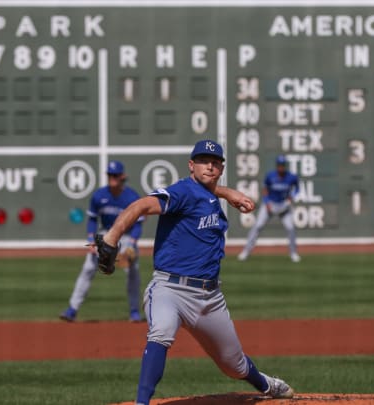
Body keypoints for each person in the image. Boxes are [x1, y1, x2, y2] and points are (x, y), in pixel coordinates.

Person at [99, 140, 294, 404]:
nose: (209, 167)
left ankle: (267, 384)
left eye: (215, 163)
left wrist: (227, 193)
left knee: (234, 365)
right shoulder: (181, 192)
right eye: (203, 161)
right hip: (170, 289)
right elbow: (141, 206)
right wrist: (112, 237)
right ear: (191, 165)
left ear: (221, 168)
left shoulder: (210, 195)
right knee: (161, 333)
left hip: (209, 298)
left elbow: (207, 190)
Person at [59, 160, 144, 323]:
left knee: (133, 270)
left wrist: (132, 243)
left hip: (126, 237)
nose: (111, 178)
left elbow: (138, 225)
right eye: (109, 175)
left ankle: (134, 311)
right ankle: (72, 309)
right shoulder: (99, 195)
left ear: (122, 177)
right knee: (89, 266)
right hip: (107, 234)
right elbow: (92, 219)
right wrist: (91, 239)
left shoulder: (131, 197)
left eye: (115, 175)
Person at [238, 154, 301, 262]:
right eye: (279, 165)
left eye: (283, 165)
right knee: (257, 226)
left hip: (284, 206)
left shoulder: (291, 177)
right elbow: (265, 189)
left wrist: (292, 197)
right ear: (277, 166)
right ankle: (245, 252)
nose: (281, 167)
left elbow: (297, 189)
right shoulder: (270, 176)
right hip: (270, 204)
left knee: (290, 228)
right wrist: (267, 202)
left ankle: (293, 253)